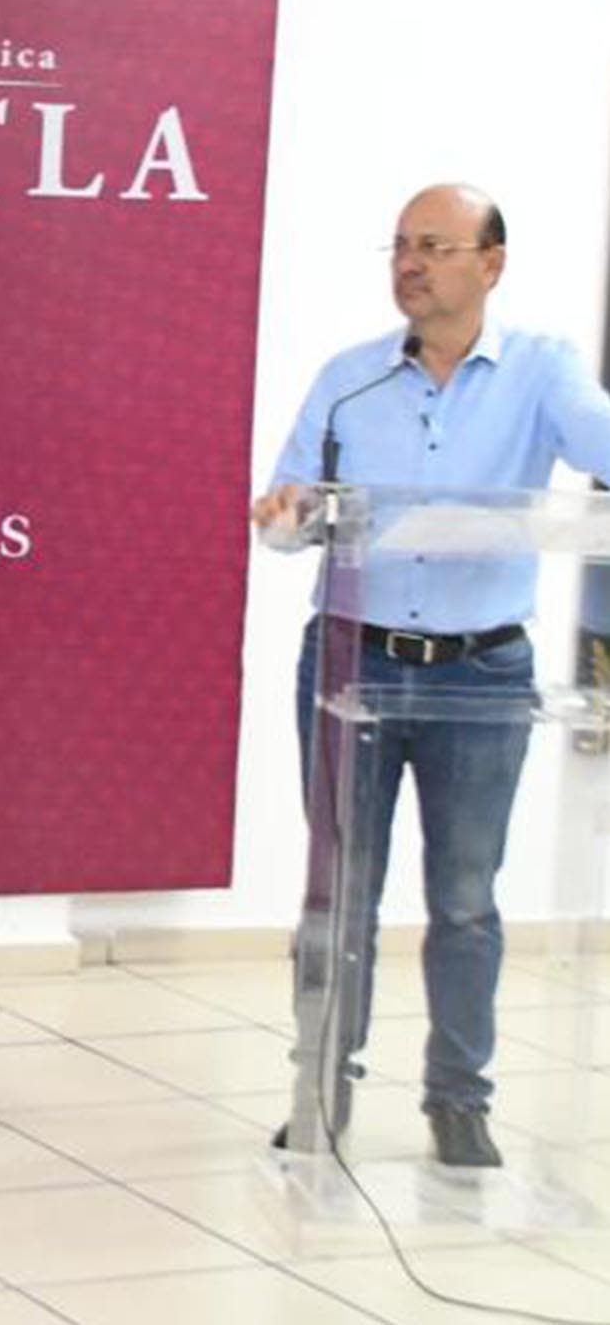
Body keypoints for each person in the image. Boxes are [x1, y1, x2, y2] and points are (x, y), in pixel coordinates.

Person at [251, 183, 610, 1169]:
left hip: (481, 673)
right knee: (338, 893)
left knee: (463, 899)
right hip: (349, 660)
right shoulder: (351, 379)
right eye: (401, 246)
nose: (410, 264)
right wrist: (285, 516)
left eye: (435, 247)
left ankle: (459, 1101)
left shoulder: (542, 370)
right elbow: (288, 514)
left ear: (491, 264)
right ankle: (320, 1085)